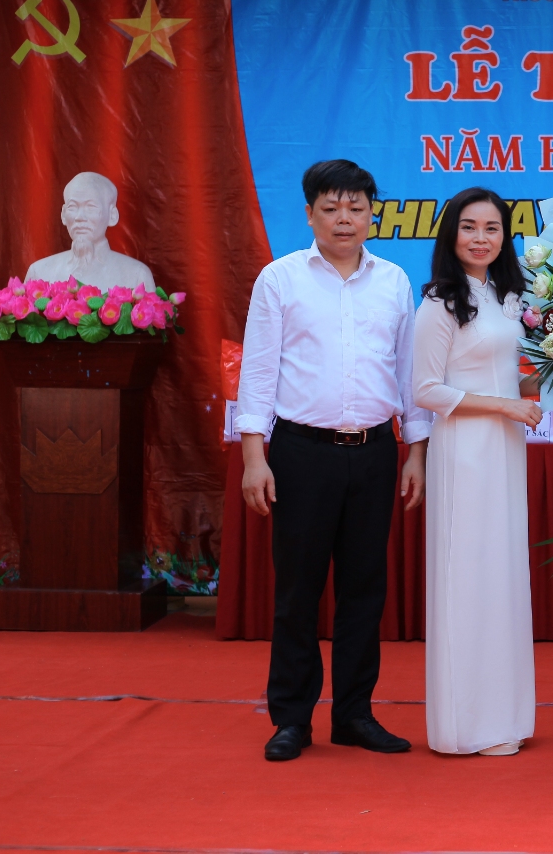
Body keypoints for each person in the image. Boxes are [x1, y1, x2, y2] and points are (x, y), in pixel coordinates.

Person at [236, 159, 431, 762]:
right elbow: (258, 371)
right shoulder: (280, 279)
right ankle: (291, 719)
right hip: (302, 453)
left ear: (372, 214)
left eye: (355, 208)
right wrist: (254, 457)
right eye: (330, 208)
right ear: (309, 214)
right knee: (297, 592)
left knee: (364, 590)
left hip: (375, 453)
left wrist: (416, 454)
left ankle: (353, 714)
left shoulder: (394, 281)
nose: (343, 219)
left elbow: (407, 373)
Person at [412, 187, 540, 756]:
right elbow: (426, 389)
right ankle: (465, 725)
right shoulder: (441, 302)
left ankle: (503, 717)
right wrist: (504, 406)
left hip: (505, 448)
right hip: (465, 450)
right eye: (469, 227)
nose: (481, 238)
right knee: (467, 575)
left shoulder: (507, 297)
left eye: (492, 228)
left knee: (502, 574)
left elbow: (510, 375)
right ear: (451, 234)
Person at [25, 172, 157, 290]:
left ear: (112, 215)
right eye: (73, 207)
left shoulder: (136, 275)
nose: (79, 217)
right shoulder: (39, 273)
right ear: (63, 215)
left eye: (91, 207)